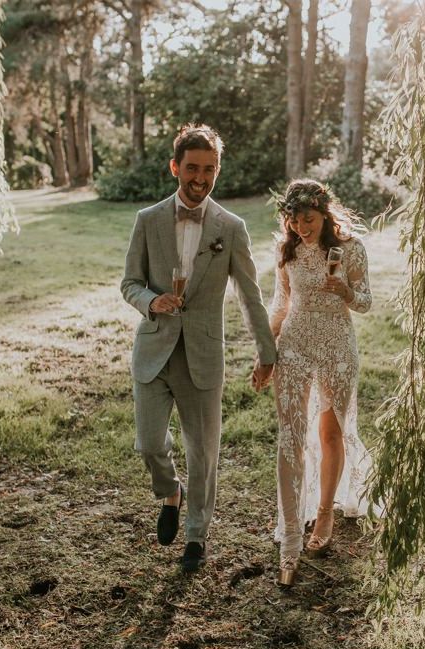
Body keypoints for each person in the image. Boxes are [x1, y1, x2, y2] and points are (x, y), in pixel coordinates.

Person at [121, 124, 275, 572]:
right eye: (192, 168)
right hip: (154, 351)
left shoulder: (232, 227)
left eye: (209, 169)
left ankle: (196, 536)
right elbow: (130, 282)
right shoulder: (147, 221)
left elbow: (250, 295)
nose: (200, 178)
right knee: (149, 443)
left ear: (217, 170)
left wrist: (267, 352)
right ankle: (170, 491)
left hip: (203, 355)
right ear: (175, 167)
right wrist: (152, 301)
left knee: (203, 453)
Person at [265, 179, 372, 586]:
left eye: (307, 219)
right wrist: (267, 350)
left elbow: (365, 301)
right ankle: (291, 526)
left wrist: (345, 289)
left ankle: (325, 510)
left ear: (324, 213)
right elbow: (281, 303)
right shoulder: (286, 249)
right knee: (290, 435)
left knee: (332, 433)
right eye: (293, 220)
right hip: (294, 344)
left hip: (337, 347)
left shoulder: (351, 249)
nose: (300, 228)